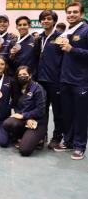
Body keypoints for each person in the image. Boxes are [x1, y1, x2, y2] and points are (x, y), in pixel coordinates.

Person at [55, 2, 88, 160]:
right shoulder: (68, 31)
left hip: (81, 81)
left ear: (81, 13)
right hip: (65, 79)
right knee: (67, 113)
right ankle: (68, 141)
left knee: (80, 115)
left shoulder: (86, 30)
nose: (71, 15)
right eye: (69, 12)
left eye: (75, 12)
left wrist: (72, 49)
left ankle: (80, 145)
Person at [3, 66, 47, 156]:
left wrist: (24, 115)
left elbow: (41, 110)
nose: (21, 76)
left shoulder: (38, 89)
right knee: (7, 123)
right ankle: (22, 136)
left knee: (24, 150)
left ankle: (40, 138)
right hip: (25, 120)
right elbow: (16, 106)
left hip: (37, 122)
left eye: (24, 74)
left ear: (30, 75)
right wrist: (26, 118)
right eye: (19, 75)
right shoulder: (17, 88)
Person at [37, 10, 64, 149]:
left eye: (48, 19)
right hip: (40, 80)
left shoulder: (60, 37)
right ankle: (42, 135)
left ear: (54, 21)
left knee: (58, 111)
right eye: (43, 19)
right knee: (42, 110)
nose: (45, 21)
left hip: (55, 81)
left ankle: (57, 137)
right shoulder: (39, 37)